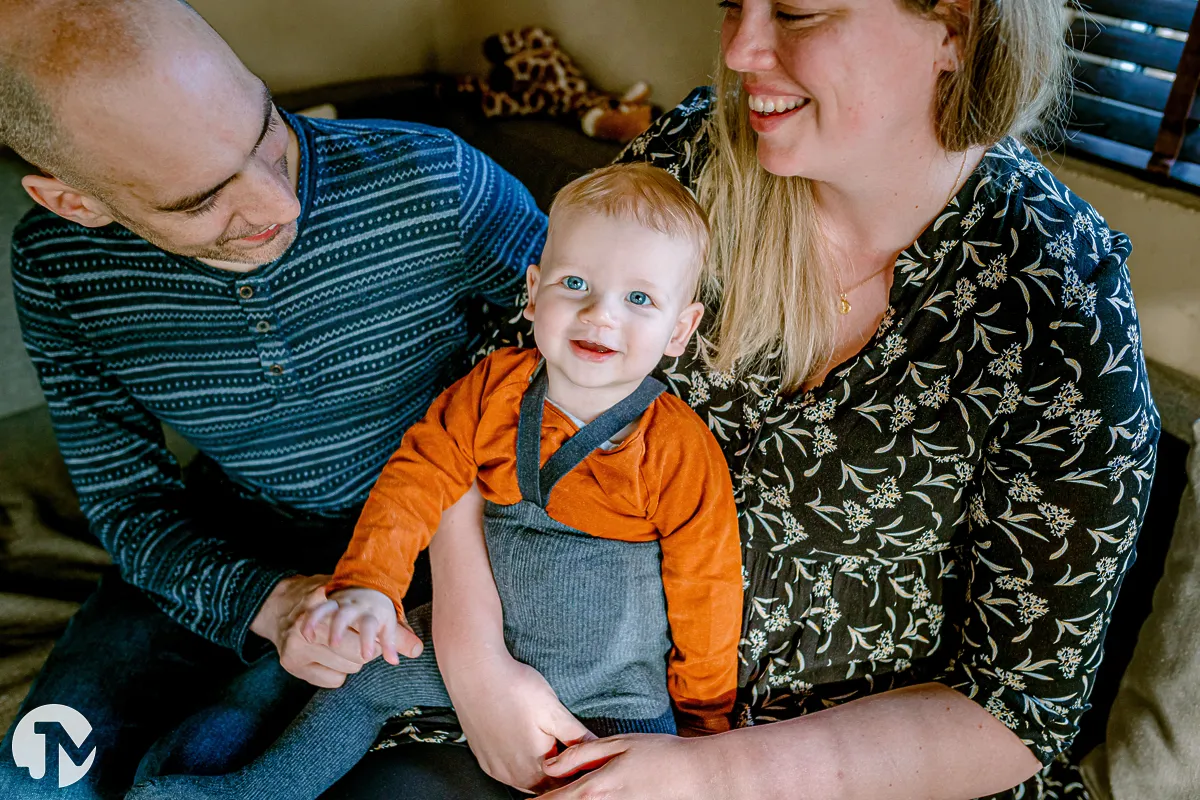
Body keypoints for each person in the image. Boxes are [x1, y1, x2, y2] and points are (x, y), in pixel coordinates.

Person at [410, 1, 1161, 798]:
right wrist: (475, 657)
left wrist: (711, 778)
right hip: (539, 695)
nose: (739, 49)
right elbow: (490, 384)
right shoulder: (693, 161)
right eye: (734, 4)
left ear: (956, 28)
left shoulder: (1060, 311)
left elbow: (1016, 707)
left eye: (798, 12)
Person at [0, 0, 544, 797]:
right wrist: (271, 603)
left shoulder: (435, 180)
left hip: (437, 542)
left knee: (198, 770)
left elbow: (589, 371)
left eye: (267, 130)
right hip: (228, 538)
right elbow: (127, 504)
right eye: (200, 200)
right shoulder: (58, 267)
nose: (280, 204)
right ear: (74, 203)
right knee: (37, 783)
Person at [128, 162, 743, 800]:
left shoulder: (674, 444)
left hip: (615, 686)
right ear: (533, 292)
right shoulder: (492, 389)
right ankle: (256, 790)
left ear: (679, 329)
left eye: (638, 299)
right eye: (576, 282)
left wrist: (704, 717)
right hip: (470, 647)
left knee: (628, 785)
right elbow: (415, 481)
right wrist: (369, 585)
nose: (600, 314)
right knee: (363, 680)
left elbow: (708, 581)